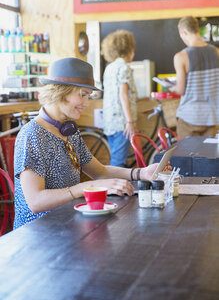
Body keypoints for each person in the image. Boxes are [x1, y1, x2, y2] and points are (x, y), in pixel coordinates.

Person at [13, 57, 159, 229]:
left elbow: (101, 172)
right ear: (60, 92)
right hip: (36, 235)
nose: (86, 103)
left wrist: (140, 173)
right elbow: (36, 202)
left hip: (67, 225)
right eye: (82, 95)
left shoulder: (68, 130)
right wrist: (87, 187)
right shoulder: (32, 134)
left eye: (88, 96)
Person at [169, 16, 219, 139]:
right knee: (209, 157)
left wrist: (171, 88)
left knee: (187, 157)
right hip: (212, 116)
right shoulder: (217, 52)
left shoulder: (181, 56)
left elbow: (180, 90)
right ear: (197, 30)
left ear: (184, 32)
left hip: (189, 117)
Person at [101, 29, 138, 167]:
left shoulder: (109, 67)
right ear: (129, 49)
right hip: (122, 123)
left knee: (116, 157)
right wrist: (129, 121)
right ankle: (114, 188)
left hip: (110, 122)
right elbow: (123, 95)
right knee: (118, 162)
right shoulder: (124, 67)